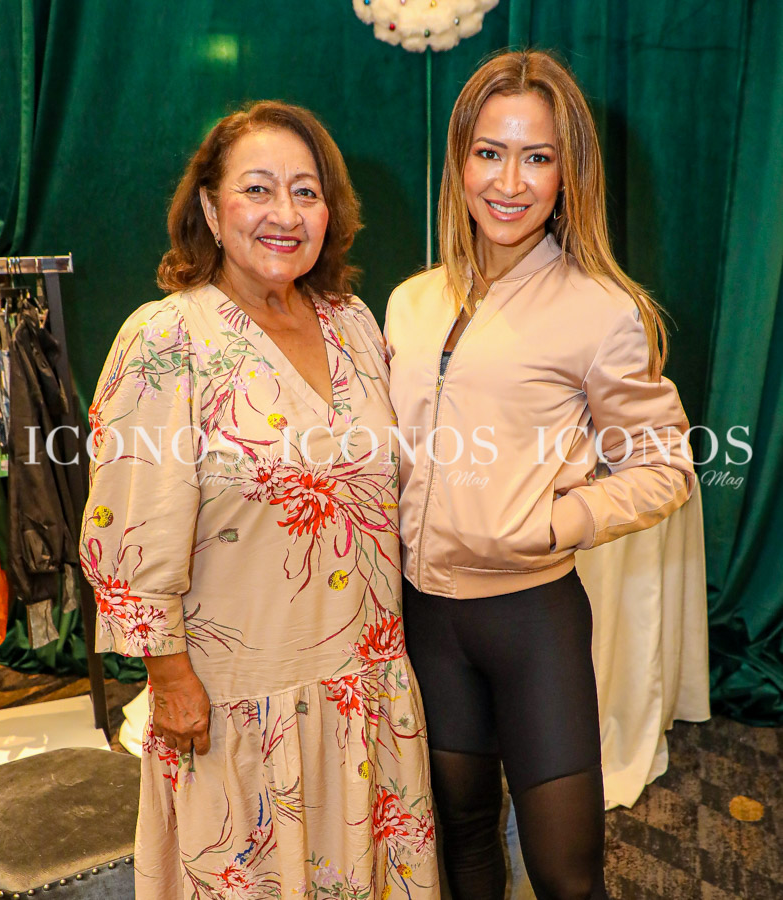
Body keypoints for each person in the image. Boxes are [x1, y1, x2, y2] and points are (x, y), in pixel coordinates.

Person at [80, 101, 439, 899]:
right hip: (239, 703)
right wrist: (169, 677)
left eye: (306, 192)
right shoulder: (167, 338)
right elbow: (129, 526)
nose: (285, 213)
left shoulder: (353, 324)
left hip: (367, 687)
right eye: (258, 189)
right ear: (210, 209)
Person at [384, 51, 694, 900]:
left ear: (567, 174)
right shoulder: (410, 302)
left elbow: (664, 466)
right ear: (460, 161)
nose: (510, 182)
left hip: (532, 621)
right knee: (463, 845)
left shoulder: (602, 310)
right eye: (490, 152)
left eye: (537, 156)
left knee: (566, 875)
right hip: (426, 618)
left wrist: (555, 524)